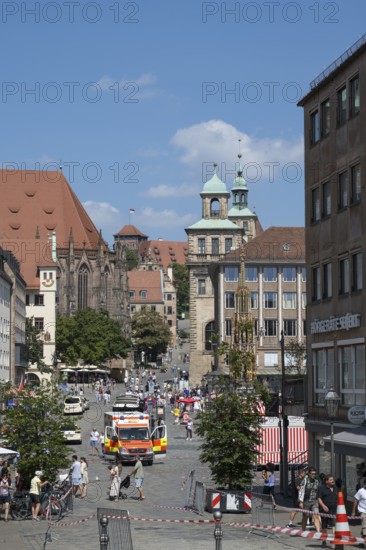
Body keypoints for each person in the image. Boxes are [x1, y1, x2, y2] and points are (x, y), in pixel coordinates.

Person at [318, 475, 338, 548]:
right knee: (324, 526)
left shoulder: (336, 488)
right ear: (326, 481)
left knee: (334, 525)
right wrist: (323, 506)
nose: (333, 481)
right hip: (324, 510)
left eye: (333, 479)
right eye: (331, 480)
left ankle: (334, 541)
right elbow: (319, 498)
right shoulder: (321, 488)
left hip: (334, 510)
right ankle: (324, 541)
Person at [298, 467, 321, 532]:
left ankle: (318, 532)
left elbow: (318, 491)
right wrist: (301, 502)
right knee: (305, 516)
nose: (313, 475)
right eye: (312, 474)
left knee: (316, 516)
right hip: (306, 501)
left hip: (314, 501)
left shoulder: (317, 481)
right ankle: (303, 530)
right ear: (309, 474)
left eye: (314, 474)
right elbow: (301, 491)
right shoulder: (305, 481)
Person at [352, 477, 366, 549]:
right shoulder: (361, 491)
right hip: (363, 512)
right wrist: (353, 511)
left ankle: (361, 541)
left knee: (364, 528)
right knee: (365, 527)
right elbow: (355, 500)